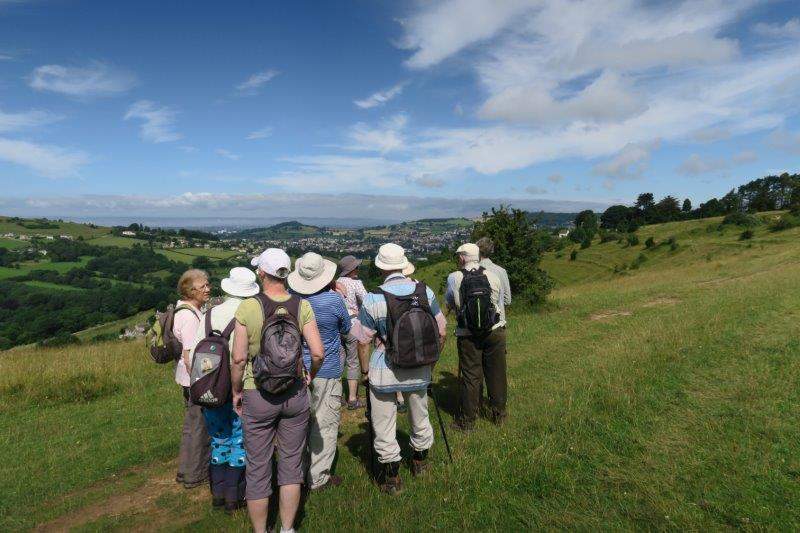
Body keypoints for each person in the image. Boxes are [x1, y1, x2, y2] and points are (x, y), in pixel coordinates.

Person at [231, 248, 324, 533]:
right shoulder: (302, 305)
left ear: (261, 273)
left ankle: (261, 531)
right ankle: (287, 528)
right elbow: (318, 352)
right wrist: (309, 376)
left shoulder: (248, 306)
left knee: (258, 467)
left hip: (257, 391)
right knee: (291, 464)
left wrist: (236, 391)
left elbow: (238, 358)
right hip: (294, 392)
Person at [354, 243, 447, 495]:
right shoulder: (425, 292)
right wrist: (430, 362)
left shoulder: (373, 299)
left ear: (381, 267)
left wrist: (365, 371)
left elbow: (363, 341)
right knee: (420, 416)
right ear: (403, 264)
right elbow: (441, 332)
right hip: (419, 368)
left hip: (385, 372)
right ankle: (420, 462)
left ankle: (392, 478)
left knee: (383, 424)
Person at [190, 267, 258, 512]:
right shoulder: (248, 314)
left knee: (219, 439)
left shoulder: (209, 315)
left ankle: (217, 493)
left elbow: (193, 354)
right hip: (237, 387)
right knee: (240, 441)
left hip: (209, 389)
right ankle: (234, 494)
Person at [289, 252, 351, 492]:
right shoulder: (332, 301)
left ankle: (296, 471)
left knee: (299, 423)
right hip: (326, 367)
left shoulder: (292, 300)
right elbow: (346, 328)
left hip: (295, 369)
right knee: (324, 422)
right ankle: (318, 477)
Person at [446, 243, 507, 430]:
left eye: (458, 256)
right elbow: (496, 302)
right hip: (494, 330)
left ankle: (468, 420)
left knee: (471, 376)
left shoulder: (454, 277)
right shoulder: (493, 276)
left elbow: (450, 302)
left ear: (463, 258)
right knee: (496, 373)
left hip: (467, 333)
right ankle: (499, 416)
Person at [174, 268, 211, 489]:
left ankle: (186, 469)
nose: (208, 289)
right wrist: (203, 383)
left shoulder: (188, 311)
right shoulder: (189, 317)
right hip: (194, 379)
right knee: (199, 427)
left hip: (189, 379)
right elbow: (190, 356)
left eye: (208, 284)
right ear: (190, 290)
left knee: (192, 425)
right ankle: (195, 474)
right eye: (203, 286)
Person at [336, 255, 368, 409]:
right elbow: (366, 301)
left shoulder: (335, 283)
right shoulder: (356, 283)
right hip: (352, 323)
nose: (358, 269)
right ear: (351, 270)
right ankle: (353, 399)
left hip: (336, 325)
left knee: (339, 359)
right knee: (353, 361)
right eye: (356, 267)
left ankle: (336, 396)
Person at [476, 237, 511, 306]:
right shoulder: (501, 271)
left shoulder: (471, 271)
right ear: (491, 251)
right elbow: (507, 300)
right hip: (498, 314)